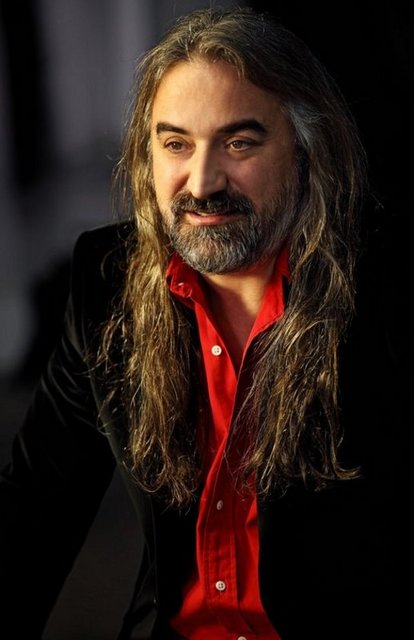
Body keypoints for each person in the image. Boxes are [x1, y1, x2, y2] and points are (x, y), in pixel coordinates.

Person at [0, 6, 410, 639]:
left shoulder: (387, 289)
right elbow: (34, 507)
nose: (202, 181)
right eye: (176, 144)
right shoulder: (107, 282)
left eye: (239, 143)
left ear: (306, 149)